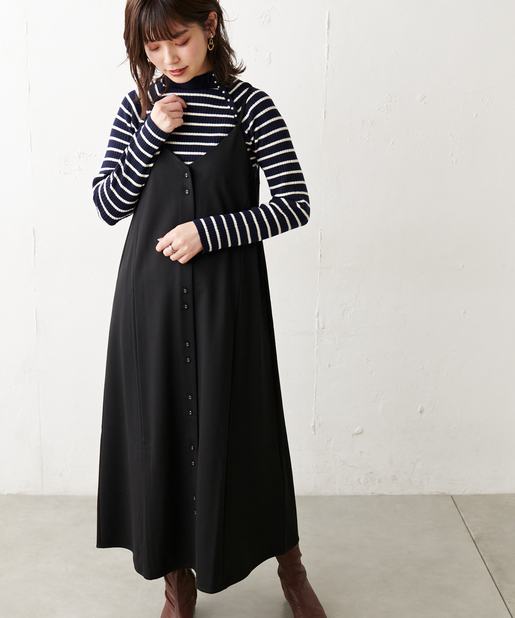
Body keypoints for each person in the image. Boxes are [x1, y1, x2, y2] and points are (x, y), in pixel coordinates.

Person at [93, 1, 327, 616]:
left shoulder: (250, 107)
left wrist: (209, 231)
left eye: (180, 41)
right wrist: (152, 133)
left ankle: (292, 569)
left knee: (249, 431)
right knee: (161, 434)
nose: (168, 59)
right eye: (153, 48)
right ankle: (177, 584)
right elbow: (108, 204)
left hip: (230, 303)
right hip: (151, 304)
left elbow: (294, 204)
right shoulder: (136, 110)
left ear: (211, 27)